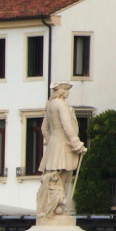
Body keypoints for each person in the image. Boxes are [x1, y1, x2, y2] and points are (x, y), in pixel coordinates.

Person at [36, 82, 87, 220]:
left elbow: (44, 129)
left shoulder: (50, 105)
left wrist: (52, 140)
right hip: (64, 146)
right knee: (63, 179)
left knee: (54, 178)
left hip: (54, 146)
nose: (68, 93)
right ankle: (59, 209)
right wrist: (76, 144)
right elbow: (66, 125)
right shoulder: (62, 105)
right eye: (66, 90)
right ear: (61, 91)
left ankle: (53, 208)